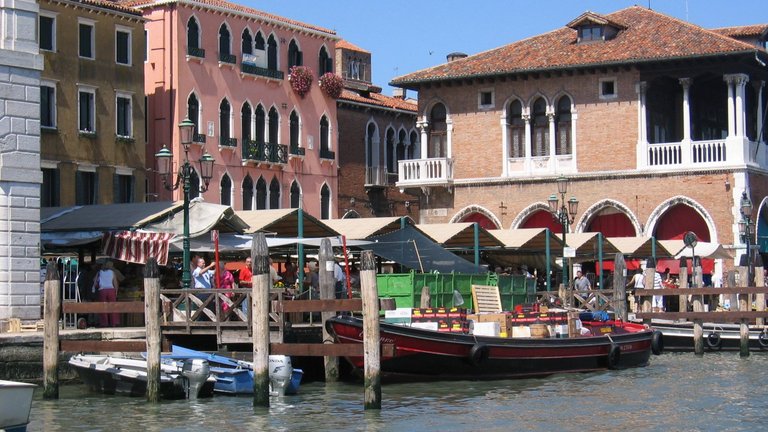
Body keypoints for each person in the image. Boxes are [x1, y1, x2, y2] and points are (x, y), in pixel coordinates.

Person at [95, 260, 120, 327]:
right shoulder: (112, 272)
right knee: (113, 306)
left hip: (102, 290)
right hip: (111, 290)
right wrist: (116, 291)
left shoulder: (99, 272)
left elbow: (95, 282)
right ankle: (113, 323)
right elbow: (115, 283)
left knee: (103, 307)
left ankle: (104, 323)